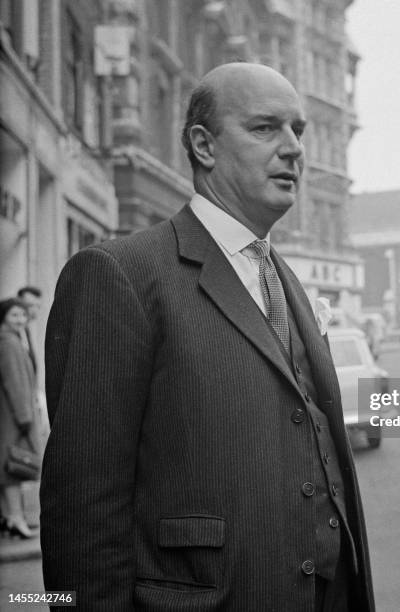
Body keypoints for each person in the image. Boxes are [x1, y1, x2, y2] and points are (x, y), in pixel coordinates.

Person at [41, 63, 374, 611]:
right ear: (204, 145)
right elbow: (82, 508)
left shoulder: (284, 279)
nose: (293, 148)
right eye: (266, 128)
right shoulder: (120, 275)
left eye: (299, 131)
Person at [0, 298, 40, 539]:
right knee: (12, 470)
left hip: (9, 415)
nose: (21, 320)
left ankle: (11, 517)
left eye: (23, 316)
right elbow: (15, 383)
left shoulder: (11, 340)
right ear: (4, 316)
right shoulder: (8, 343)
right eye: (15, 315)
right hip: (14, 417)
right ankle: (16, 519)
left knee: (8, 468)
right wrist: (25, 418)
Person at [16, 286, 42, 374]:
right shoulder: (13, 331)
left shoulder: (26, 329)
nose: (35, 310)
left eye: (38, 306)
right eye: (30, 305)